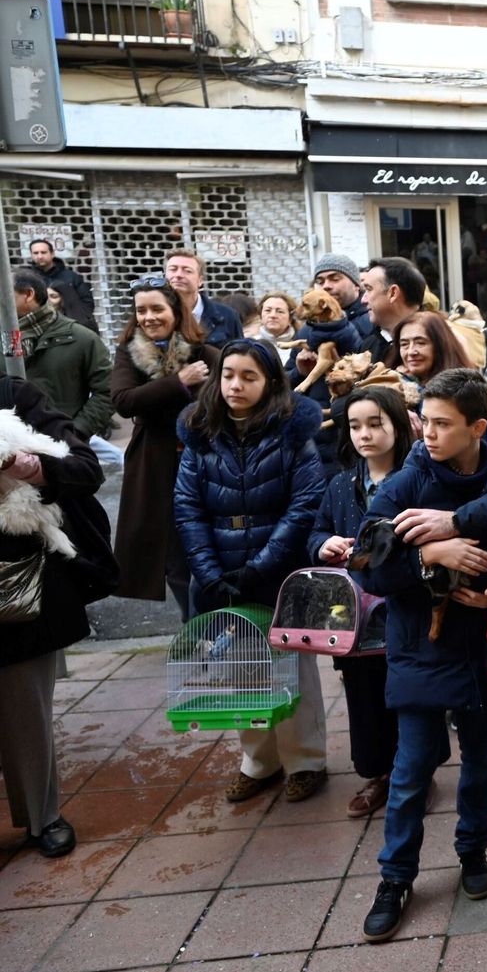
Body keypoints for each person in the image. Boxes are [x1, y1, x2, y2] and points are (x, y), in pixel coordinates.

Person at [353, 369, 487, 943]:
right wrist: (433, 555)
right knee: (412, 769)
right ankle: (395, 879)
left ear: (478, 427)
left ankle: (474, 853)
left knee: (481, 761)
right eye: (426, 420)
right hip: (420, 646)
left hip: (483, 648)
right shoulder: (403, 483)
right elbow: (367, 561)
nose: (428, 433)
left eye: (444, 424)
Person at [174, 339, 328, 803]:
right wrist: (207, 570)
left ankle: (306, 760)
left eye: (249, 377)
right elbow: (187, 507)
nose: (236, 385)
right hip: (221, 568)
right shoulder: (201, 434)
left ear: (270, 382)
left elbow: (305, 504)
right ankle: (259, 762)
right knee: (241, 667)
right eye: (228, 375)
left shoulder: (291, 432)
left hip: (280, 568)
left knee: (292, 662)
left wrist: (262, 564)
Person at [0, 375, 103, 860]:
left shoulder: (15, 397)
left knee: (25, 710)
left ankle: (43, 817)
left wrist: (29, 467)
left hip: (16, 588)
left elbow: (85, 468)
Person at [307, 386, 413, 819]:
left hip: (403, 611)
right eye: (354, 426)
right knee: (364, 700)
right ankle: (377, 775)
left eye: (375, 424)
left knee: (409, 698)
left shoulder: (414, 480)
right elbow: (315, 531)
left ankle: (412, 776)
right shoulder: (339, 485)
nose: (364, 434)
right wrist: (324, 544)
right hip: (352, 619)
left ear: (397, 426)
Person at [110, 274, 219, 616]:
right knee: (171, 552)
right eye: (140, 310)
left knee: (209, 543)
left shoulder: (205, 353)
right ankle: (193, 626)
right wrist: (179, 382)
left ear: (175, 309)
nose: (148, 317)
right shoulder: (129, 352)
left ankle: (221, 623)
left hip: (205, 462)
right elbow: (124, 400)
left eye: (156, 308)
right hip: (155, 464)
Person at [12, 268, 112, 441]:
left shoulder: (81, 338)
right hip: (10, 450)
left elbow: (108, 391)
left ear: (28, 294)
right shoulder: (6, 338)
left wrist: (76, 431)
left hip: (63, 451)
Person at [166, 247, 243, 347]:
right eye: (173, 269)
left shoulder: (227, 316)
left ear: (200, 280)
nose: (178, 275)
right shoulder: (156, 315)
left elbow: (241, 356)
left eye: (187, 271)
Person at [360, 257, 427, 366]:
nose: (363, 300)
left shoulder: (439, 340)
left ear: (393, 293)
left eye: (369, 289)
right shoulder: (369, 346)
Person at [28, 238, 95, 331]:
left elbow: (87, 302)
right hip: (39, 327)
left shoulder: (71, 277)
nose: (39, 256)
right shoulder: (28, 279)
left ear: (52, 254)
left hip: (70, 326)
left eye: (43, 252)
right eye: (35, 253)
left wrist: (79, 320)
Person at [396, 310, 472, 390]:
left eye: (420, 343)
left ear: (440, 345)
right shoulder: (394, 382)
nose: (411, 352)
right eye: (404, 344)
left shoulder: (460, 389)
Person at [312, 253, 373, 340]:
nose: (326, 286)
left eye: (335, 279)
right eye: (320, 282)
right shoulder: (310, 326)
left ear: (356, 285)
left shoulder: (374, 320)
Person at [256, 291, 298, 363]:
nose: (273, 315)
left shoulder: (299, 346)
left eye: (280, 311)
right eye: (268, 310)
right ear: (260, 316)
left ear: (290, 319)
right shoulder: (251, 343)